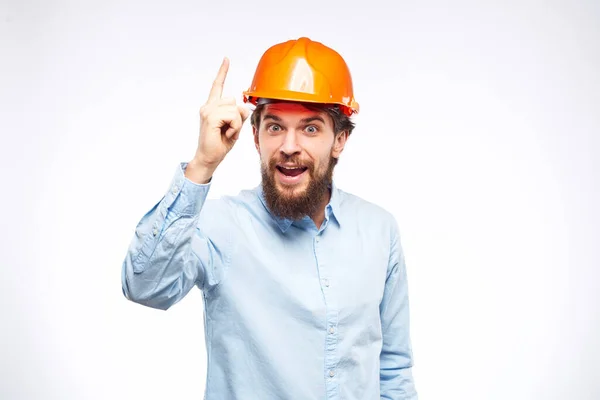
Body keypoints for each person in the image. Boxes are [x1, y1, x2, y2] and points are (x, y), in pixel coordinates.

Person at [121, 37, 418, 399]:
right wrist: (202, 164)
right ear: (256, 138)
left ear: (339, 140)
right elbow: (145, 286)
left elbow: (394, 369)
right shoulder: (221, 226)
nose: (289, 146)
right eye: (275, 127)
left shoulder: (378, 230)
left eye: (310, 128)